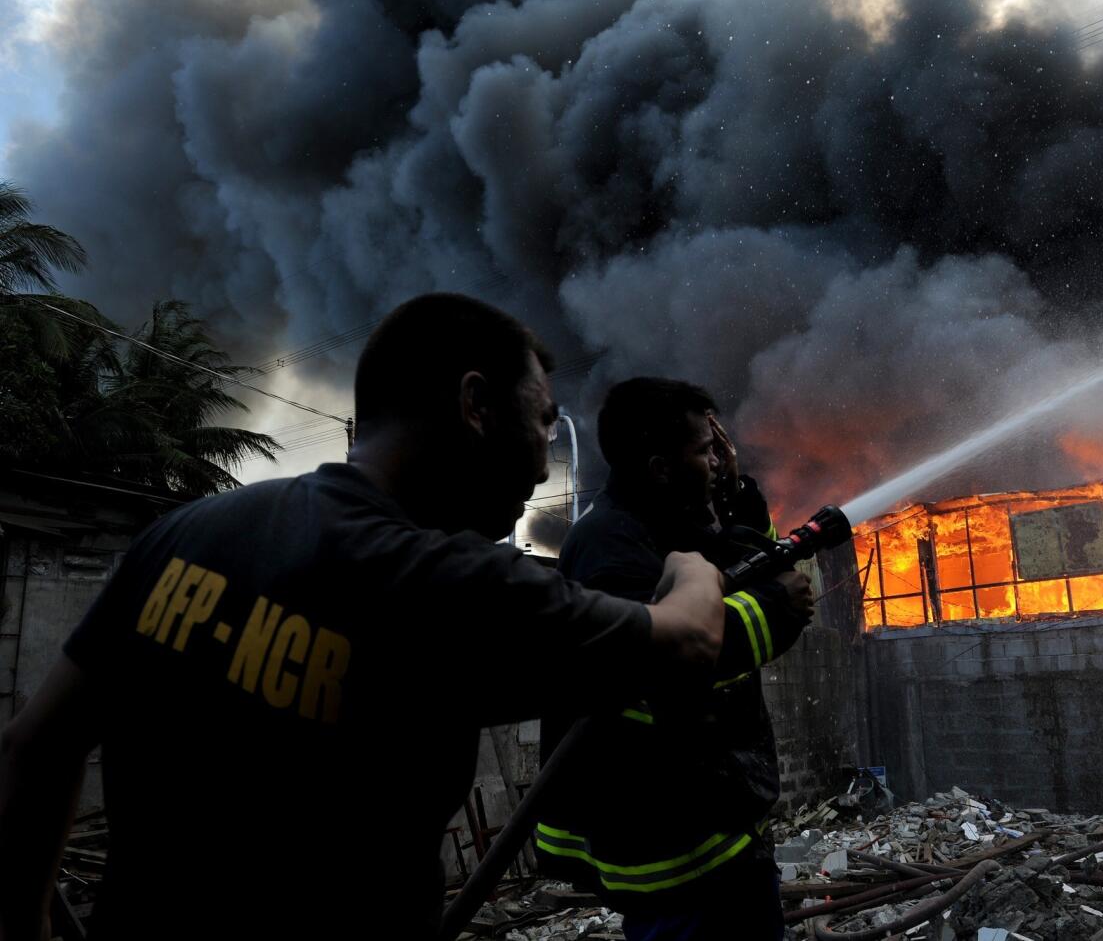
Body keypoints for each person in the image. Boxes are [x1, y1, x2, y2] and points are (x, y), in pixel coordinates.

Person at [0, 295, 728, 941]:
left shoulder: (184, 533)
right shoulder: (458, 587)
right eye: (541, 422)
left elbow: (36, 744)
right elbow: (691, 638)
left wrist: (26, 915)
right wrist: (690, 560)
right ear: (475, 405)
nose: (545, 464)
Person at [535, 377, 814, 941]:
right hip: (668, 841)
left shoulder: (673, 517)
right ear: (661, 466)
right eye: (704, 450)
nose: (718, 458)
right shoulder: (609, 546)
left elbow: (744, 568)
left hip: (715, 818)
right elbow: (680, 656)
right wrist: (777, 610)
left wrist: (740, 497)